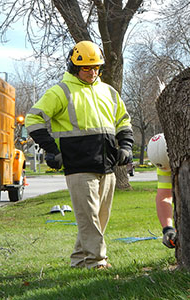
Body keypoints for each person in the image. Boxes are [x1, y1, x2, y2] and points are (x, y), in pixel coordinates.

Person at [25, 41, 134, 269]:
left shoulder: (109, 92)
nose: (92, 72)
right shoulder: (60, 91)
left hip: (107, 165)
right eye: (86, 68)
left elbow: (123, 120)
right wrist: (53, 150)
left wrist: (125, 146)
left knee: (99, 218)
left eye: (95, 67)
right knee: (89, 219)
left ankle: (79, 261)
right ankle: (97, 263)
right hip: (78, 166)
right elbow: (33, 119)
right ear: (74, 67)